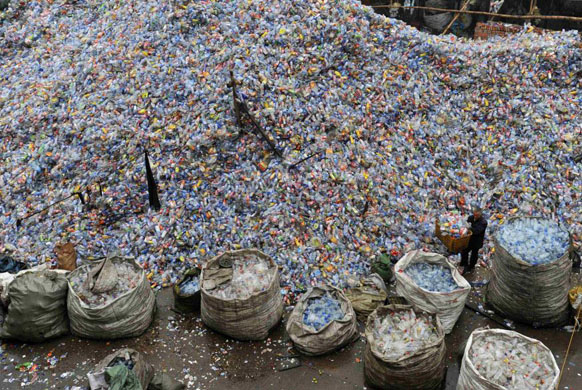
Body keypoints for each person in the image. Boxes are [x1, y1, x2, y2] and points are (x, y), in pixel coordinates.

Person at [460, 206, 487, 275]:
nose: (475, 216)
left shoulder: (483, 222)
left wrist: (470, 228)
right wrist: (465, 225)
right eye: (474, 214)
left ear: (480, 214)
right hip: (470, 239)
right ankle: (464, 264)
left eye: (477, 215)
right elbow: (467, 221)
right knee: (464, 251)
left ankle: (471, 267)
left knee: (474, 255)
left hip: (477, 241)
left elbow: (477, 231)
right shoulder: (471, 217)